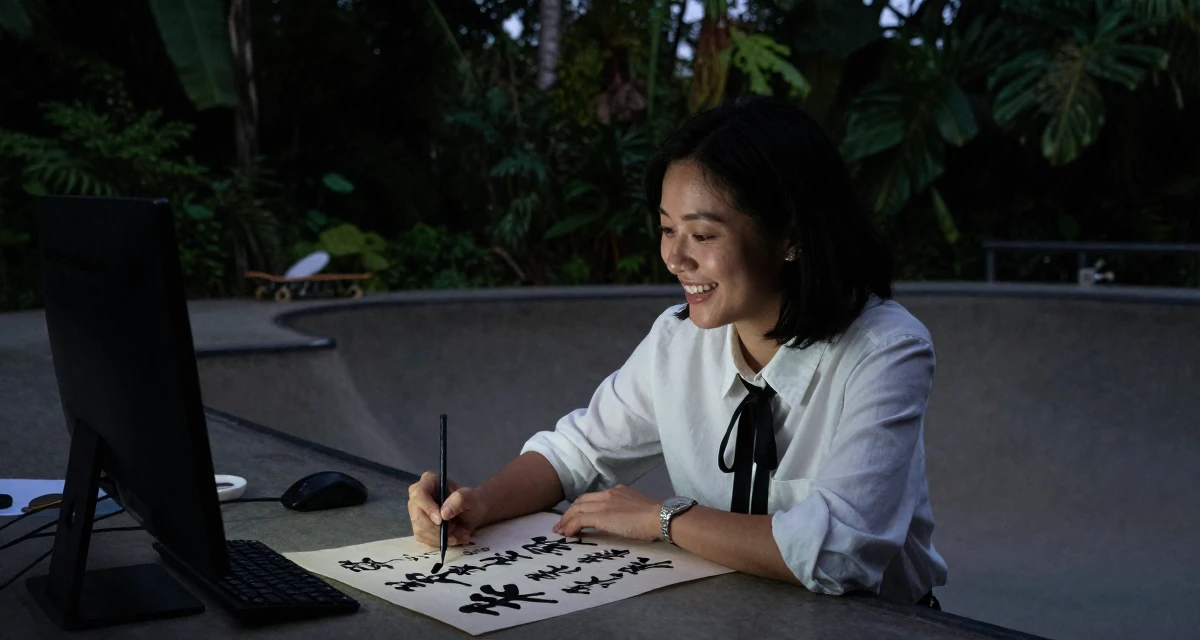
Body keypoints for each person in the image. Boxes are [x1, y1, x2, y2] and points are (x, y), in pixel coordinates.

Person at [406, 97, 948, 607]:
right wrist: (479, 504)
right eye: (667, 230)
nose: (674, 258)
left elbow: (840, 551)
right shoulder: (679, 338)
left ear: (791, 236)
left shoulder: (884, 350)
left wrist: (664, 518)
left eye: (703, 236)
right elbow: (580, 452)